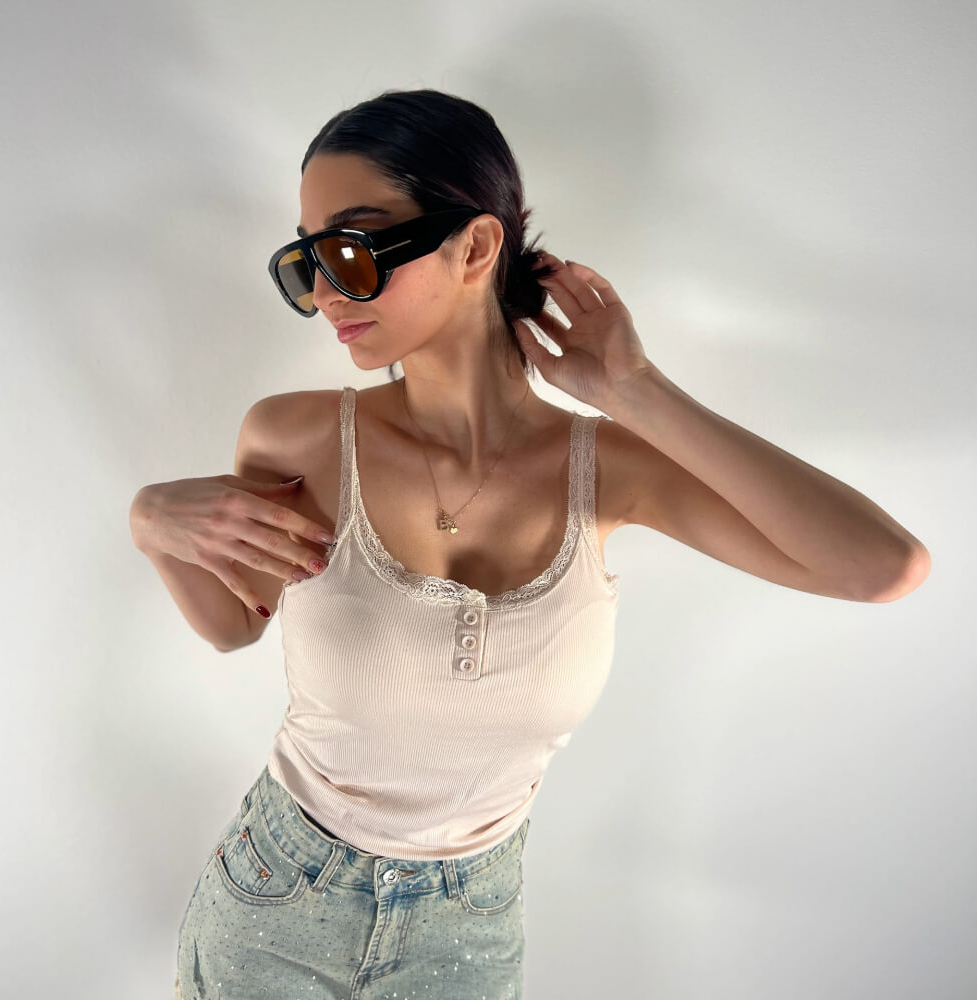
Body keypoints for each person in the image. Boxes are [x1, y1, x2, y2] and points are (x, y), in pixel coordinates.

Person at [129, 88, 930, 1000]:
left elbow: (882, 567)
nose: (321, 292)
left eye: (351, 249)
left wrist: (636, 389)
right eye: (306, 261)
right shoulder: (296, 438)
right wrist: (151, 522)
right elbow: (235, 624)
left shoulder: (609, 469)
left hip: (466, 929)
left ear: (474, 246)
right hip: (274, 902)